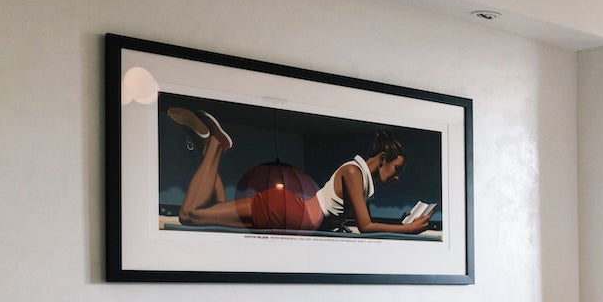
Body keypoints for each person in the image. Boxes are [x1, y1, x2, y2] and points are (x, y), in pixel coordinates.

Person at [169, 108, 434, 235]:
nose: (397, 176)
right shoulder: (353, 173)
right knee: (190, 215)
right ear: (383, 158)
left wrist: (399, 223)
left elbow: (356, 222)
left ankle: (210, 147)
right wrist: (407, 231)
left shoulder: (360, 179)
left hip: (291, 214)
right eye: (396, 169)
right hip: (289, 212)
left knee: (215, 210)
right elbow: (365, 226)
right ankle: (215, 144)